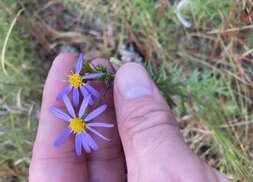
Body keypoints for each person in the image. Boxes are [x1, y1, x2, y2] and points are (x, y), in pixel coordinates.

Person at [29, 53, 229, 182]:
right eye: (75, 80)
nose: (75, 79)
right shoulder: (81, 105)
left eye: (77, 78)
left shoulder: (83, 90)